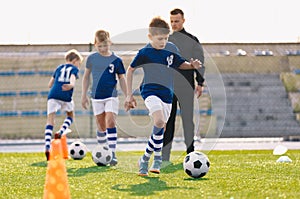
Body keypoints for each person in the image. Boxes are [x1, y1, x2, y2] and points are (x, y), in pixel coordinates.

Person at [125, 16, 202, 176]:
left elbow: (179, 63)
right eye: (160, 39)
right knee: (159, 121)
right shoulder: (145, 52)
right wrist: (128, 95)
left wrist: (192, 66)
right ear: (150, 37)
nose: (163, 42)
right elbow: (131, 69)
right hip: (150, 91)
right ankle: (154, 159)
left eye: (166, 38)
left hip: (167, 94)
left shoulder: (171, 48)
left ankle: (148, 158)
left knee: (161, 127)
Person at [162, 8, 205, 162]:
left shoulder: (192, 39)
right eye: (171, 21)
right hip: (169, 87)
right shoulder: (166, 40)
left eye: (177, 21)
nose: (174, 24)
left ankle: (190, 154)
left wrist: (200, 82)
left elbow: (200, 62)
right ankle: (165, 157)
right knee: (168, 121)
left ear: (183, 20)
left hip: (186, 86)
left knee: (188, 121)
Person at [81, 30, 128, 166]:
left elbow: (122, 78)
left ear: (110, 43)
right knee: (101, 125)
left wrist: (127, 96)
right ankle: (102, 151)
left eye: (105, 45)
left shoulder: (117, 60)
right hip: (96, 97)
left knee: (110, 121)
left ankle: (112, 154)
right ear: (95, 44)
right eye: (100, 46)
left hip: (111, 96)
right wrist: (84, 95)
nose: (103, 48)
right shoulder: (92, 58)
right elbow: (86, 77)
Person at [44, 49, 83, 161]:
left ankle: (47, 146)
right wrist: (70, 85)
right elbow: (72, 81)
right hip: (65, 94)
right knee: (70, 116)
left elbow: (49, 84)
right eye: (79, 63)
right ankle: (60, 132)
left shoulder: (59, 68)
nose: (78, 66)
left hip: (53, 94)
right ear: (75, 60)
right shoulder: (74, 69)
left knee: (50, 121)